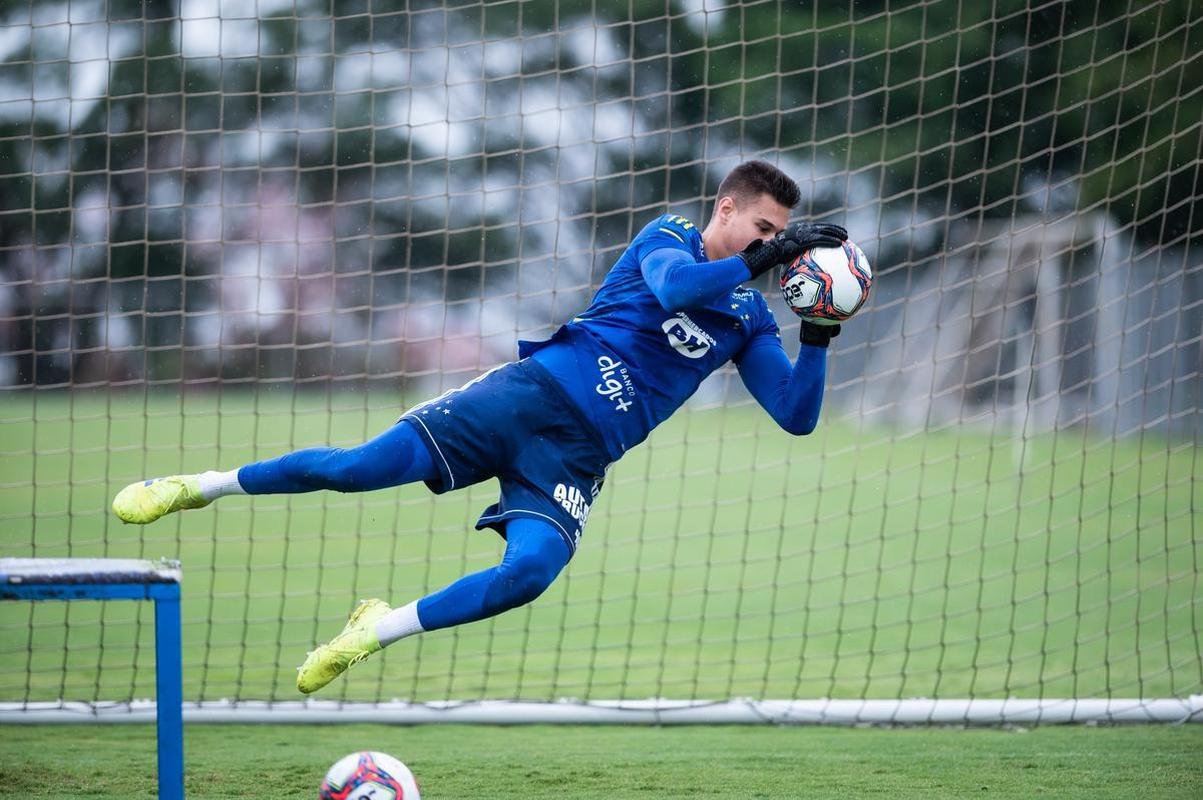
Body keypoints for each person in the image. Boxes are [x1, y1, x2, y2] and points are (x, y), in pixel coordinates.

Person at [111, 160, 849, 694]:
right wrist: (771, 255)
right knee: (353, 469)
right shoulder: (668, 238)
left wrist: (816, 332)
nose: (769, 247)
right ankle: (198, 485)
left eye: (779, 236)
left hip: (572, 458)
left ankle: (373, 629)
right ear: (726, 209)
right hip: (522, 399)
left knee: (528, 575)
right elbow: (672, 288)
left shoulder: (749, 316)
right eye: (762, 228)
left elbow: (794, 415)